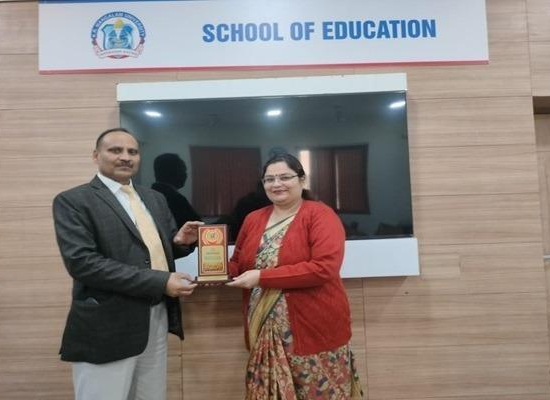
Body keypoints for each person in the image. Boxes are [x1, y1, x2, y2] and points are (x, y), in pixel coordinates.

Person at [52, 128, 201, 400]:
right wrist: (161, 281)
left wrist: (178, 242)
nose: (125, 157)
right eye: (115, 150)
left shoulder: (154, 198)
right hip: (107, 324)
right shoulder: (73, 201)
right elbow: (83, 263)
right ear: (96, 156)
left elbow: (151, 251)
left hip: (156, 316)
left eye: (132, 151)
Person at [227, 153, 363, 399]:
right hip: (263, 325)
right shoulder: (253, 219)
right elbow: (237, 263)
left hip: (314, 327)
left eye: (284, 177)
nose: (276, 184)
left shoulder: (320, 215)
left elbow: (324, 268)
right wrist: (211, 266)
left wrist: (261, 277)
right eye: (269, 179)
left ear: (301, 180)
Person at [151, 153, 201, 228]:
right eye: (183, 170)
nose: (186, 175)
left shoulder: (149, 195)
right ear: (172, 172)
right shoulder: (175, 199)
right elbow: (196, 229)